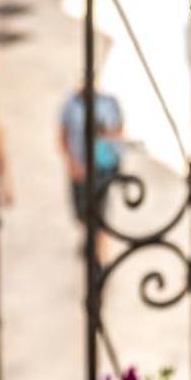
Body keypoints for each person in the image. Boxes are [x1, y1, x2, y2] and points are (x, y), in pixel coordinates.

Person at [59, 87, 124, 255]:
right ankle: (90, 239)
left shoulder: (109, 102)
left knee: (101, 213)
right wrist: (72, 162)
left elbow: (119, 131)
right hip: (81, 166)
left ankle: (100, 257)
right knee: (82, 211)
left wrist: (108, 135)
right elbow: (63, 134)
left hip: (104, 166)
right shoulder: (71, 104)